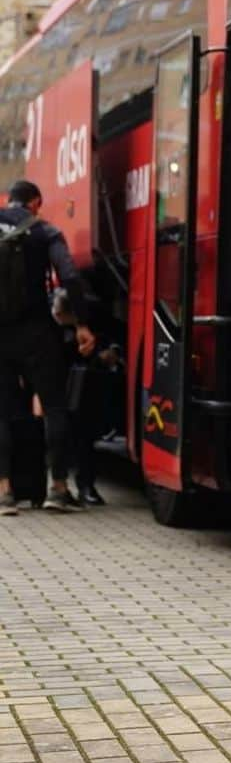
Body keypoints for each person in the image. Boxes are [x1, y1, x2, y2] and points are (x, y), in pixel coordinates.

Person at [0, 180, 95, 514]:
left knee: (4, 410)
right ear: (36, 202)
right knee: (54, 406)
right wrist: (81, 323)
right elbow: (69, 275)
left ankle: (5, 492)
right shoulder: (45, 230)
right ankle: (57, 488)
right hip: (38, 332)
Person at [51, 289, 121, 506]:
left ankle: (85, 486)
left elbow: (117, 334)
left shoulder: (94, 312)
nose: (57, 318)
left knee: (84, 435)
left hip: (87, 379)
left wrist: (109, 352)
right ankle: (56, 485)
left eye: (61, 315)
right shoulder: (48, 317)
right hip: (55, 375)